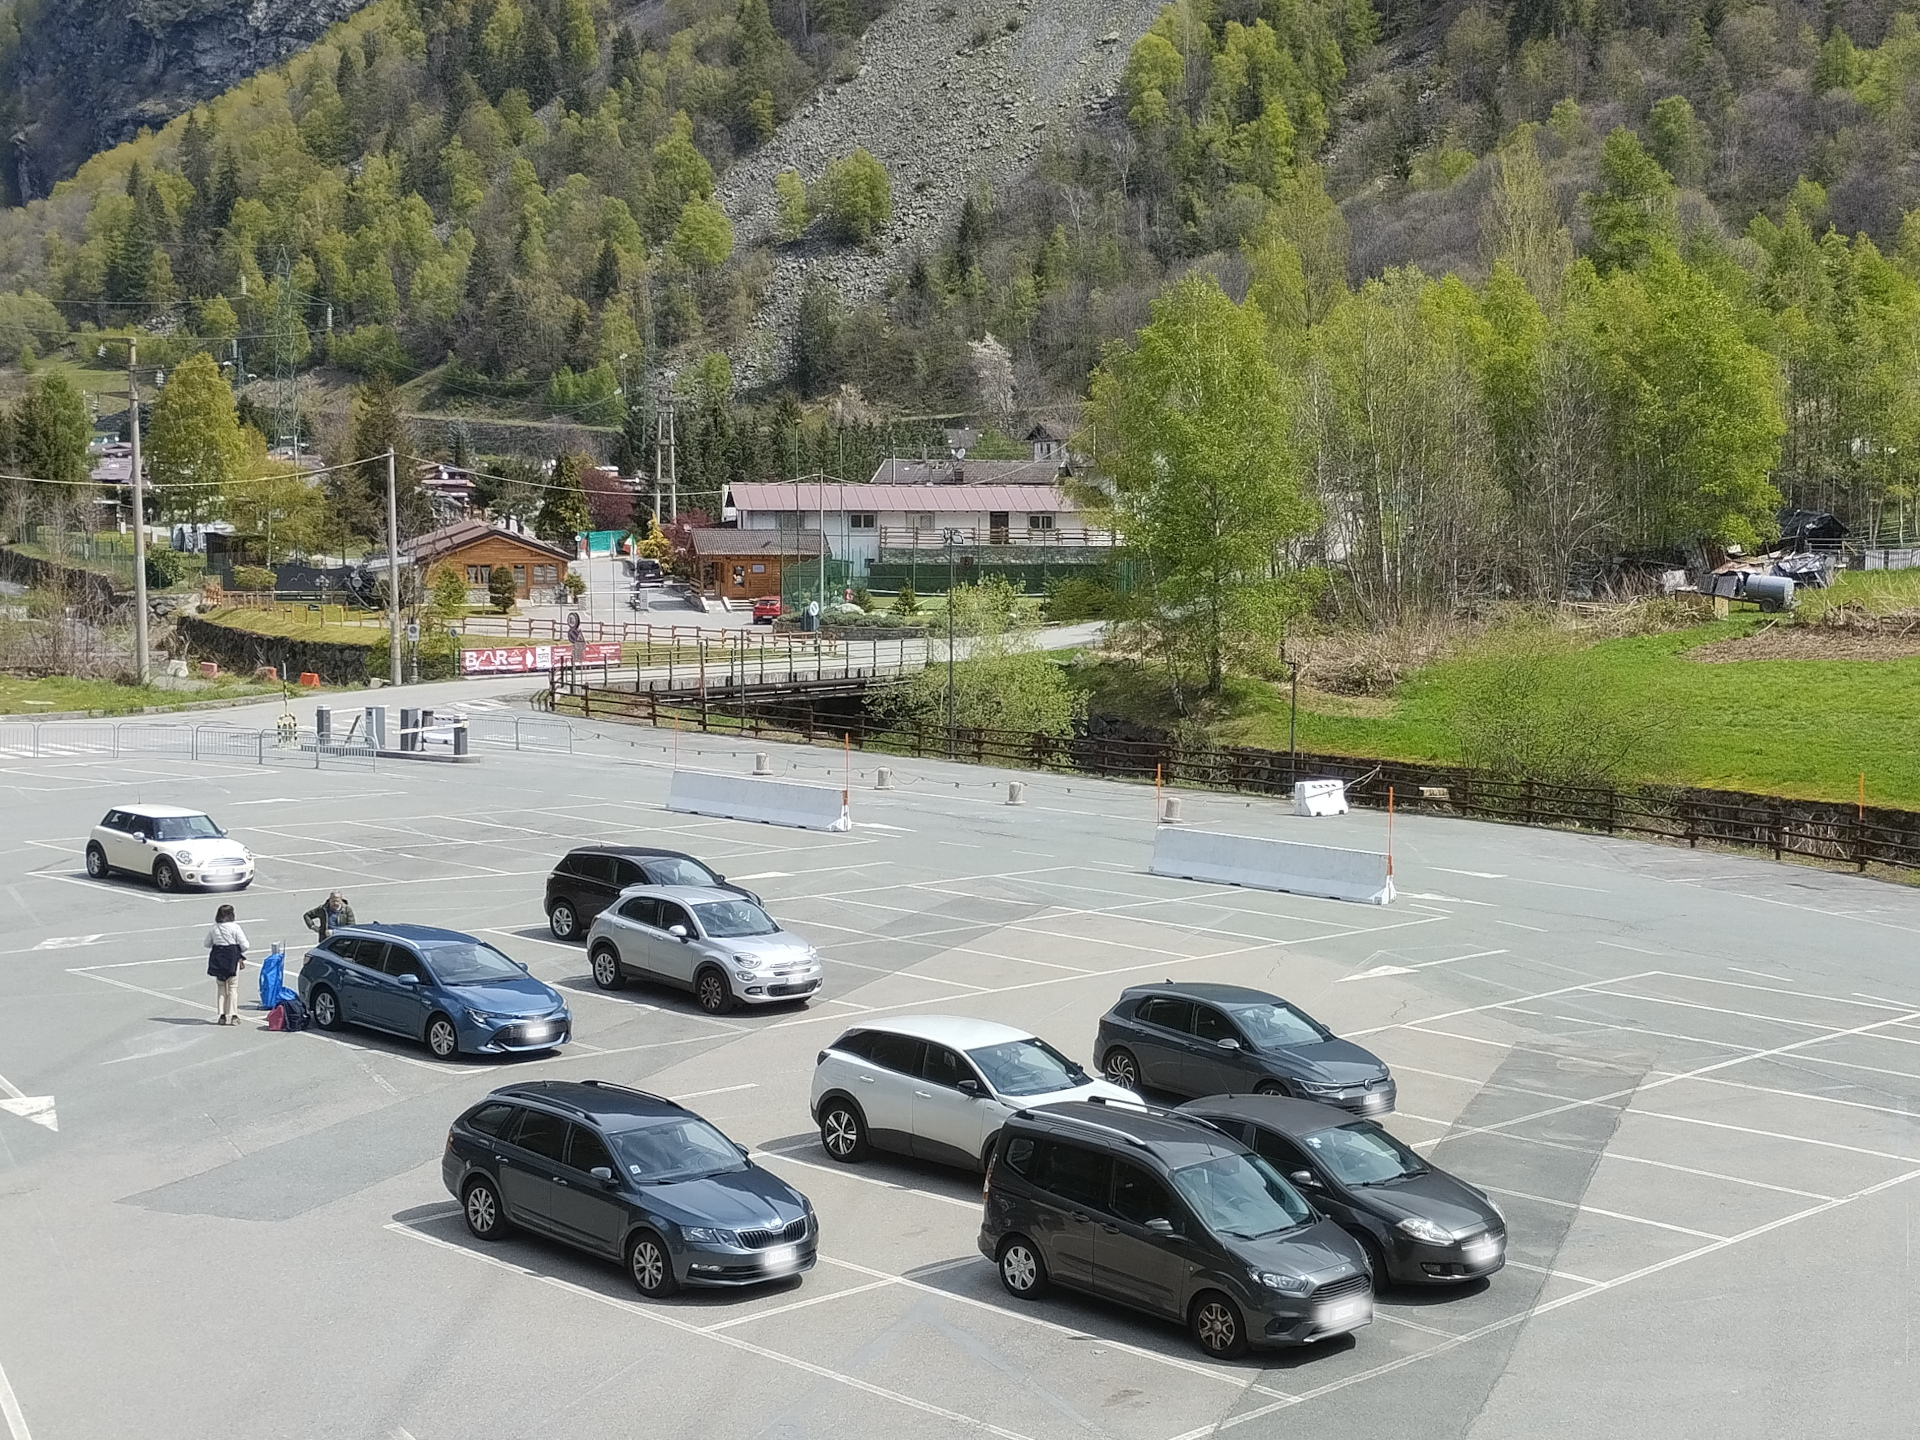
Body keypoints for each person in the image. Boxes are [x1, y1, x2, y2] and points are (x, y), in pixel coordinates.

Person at [204, 905, 248, 1026]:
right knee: (233, 987)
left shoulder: (214, 928)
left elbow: (206, 944)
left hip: (217, 958)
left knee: (221, 987)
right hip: (232, 958)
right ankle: (234, 1015)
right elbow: (245, 945)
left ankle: (222, 1015)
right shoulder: (235, 927)